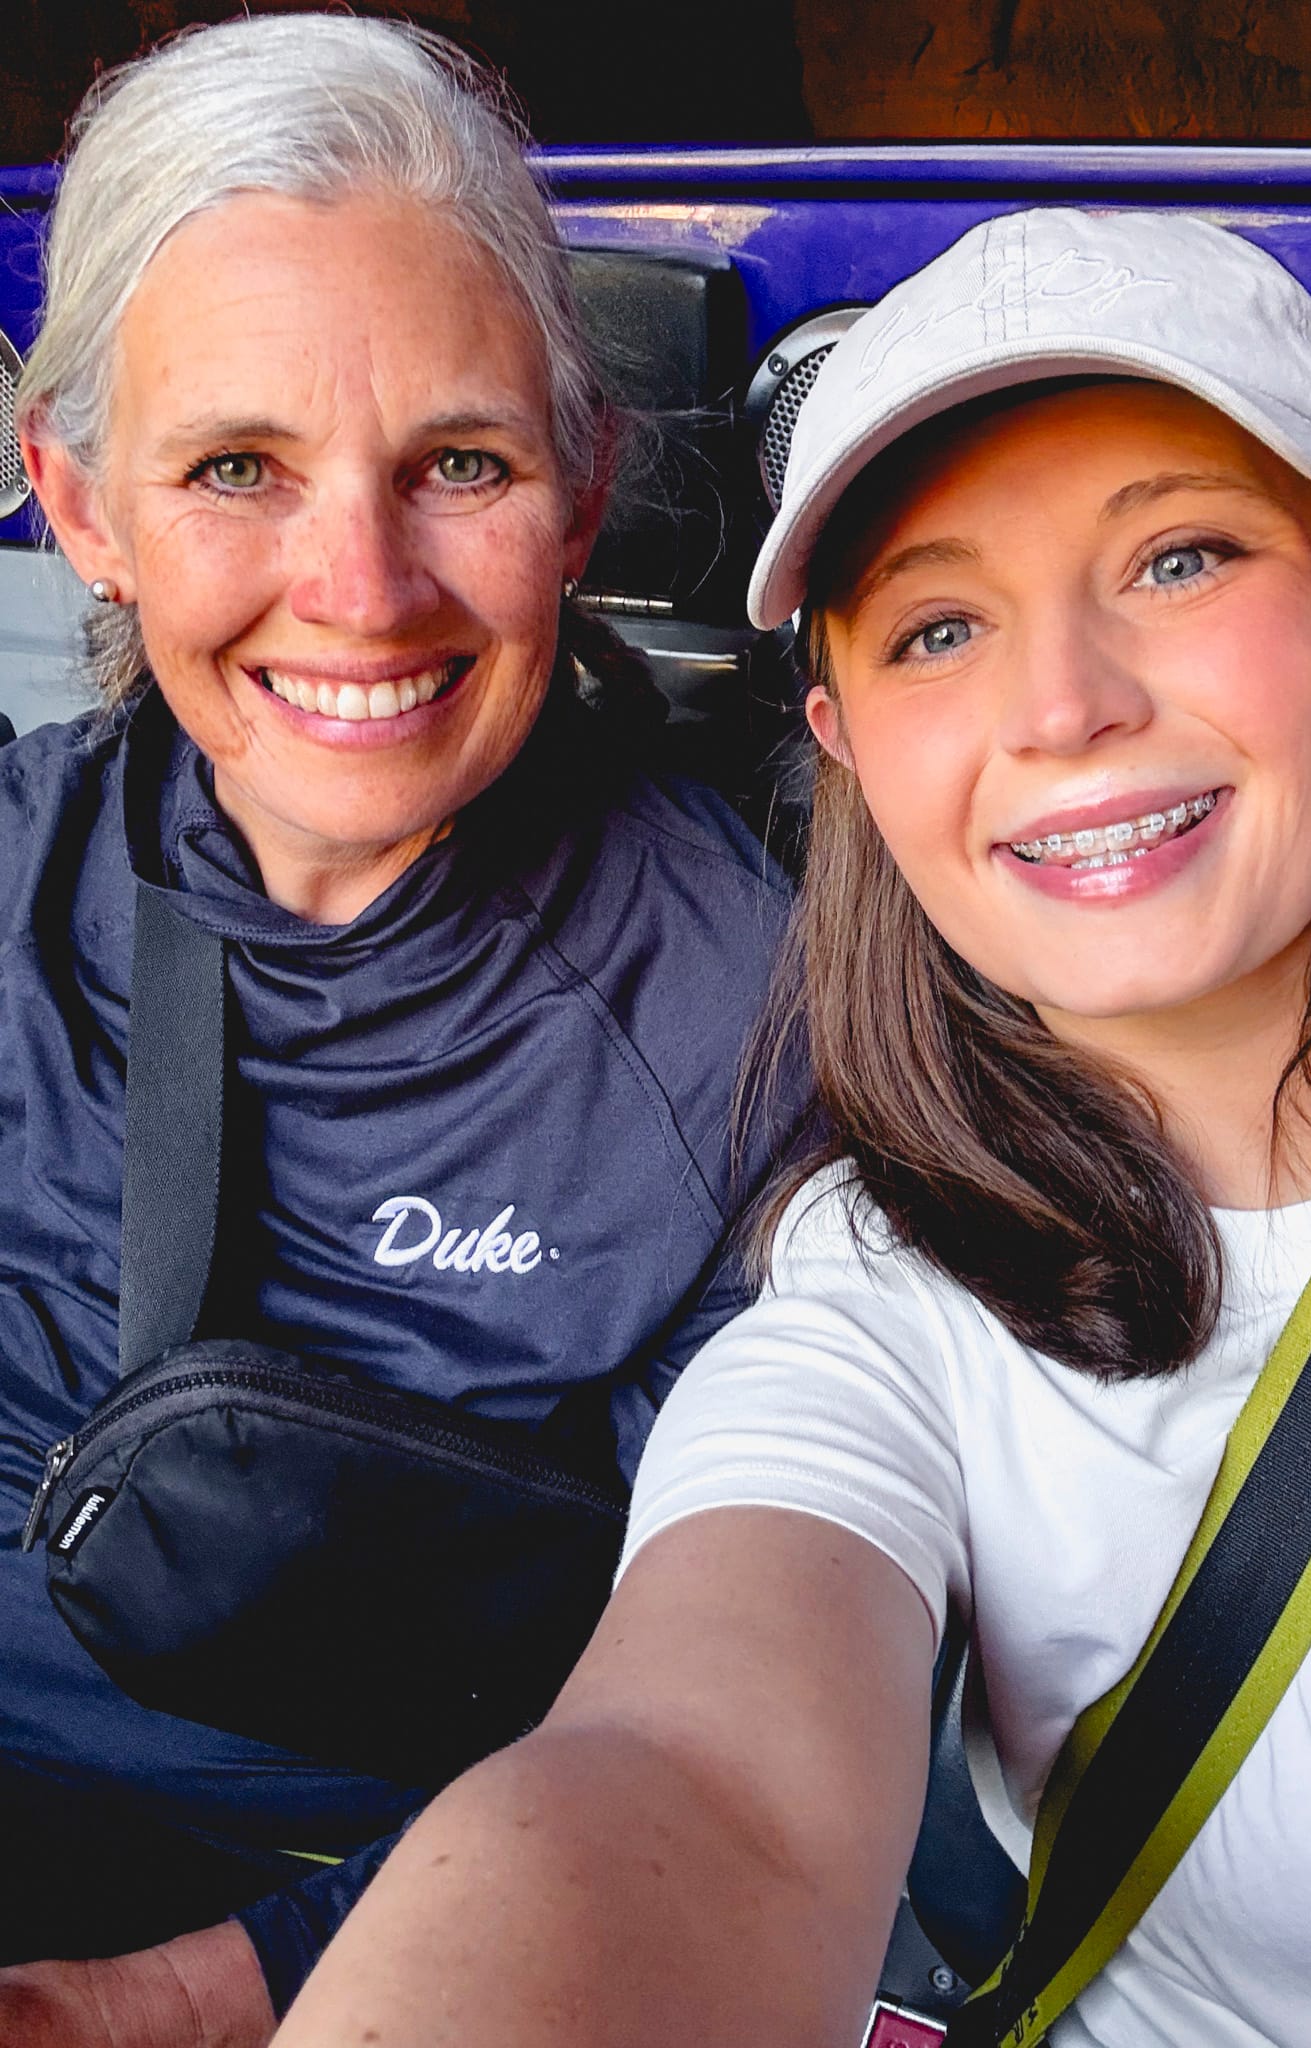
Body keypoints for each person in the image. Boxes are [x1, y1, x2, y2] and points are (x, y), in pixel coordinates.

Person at [272, 211, 1311, 2048]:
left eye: (1180, 558)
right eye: (941, 628)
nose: (1067, 706)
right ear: (846, 735)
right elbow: (698, 1785)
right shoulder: (881, 1297)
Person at [0, 15, 797, 2046]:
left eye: (459, 464)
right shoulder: (11, 879)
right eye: (235, 470)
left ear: (583, 489)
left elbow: (707, 1713)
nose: (359, 590)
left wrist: (179, 2003)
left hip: (386, 1939)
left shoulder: (743, 1030)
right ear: (82, 507)